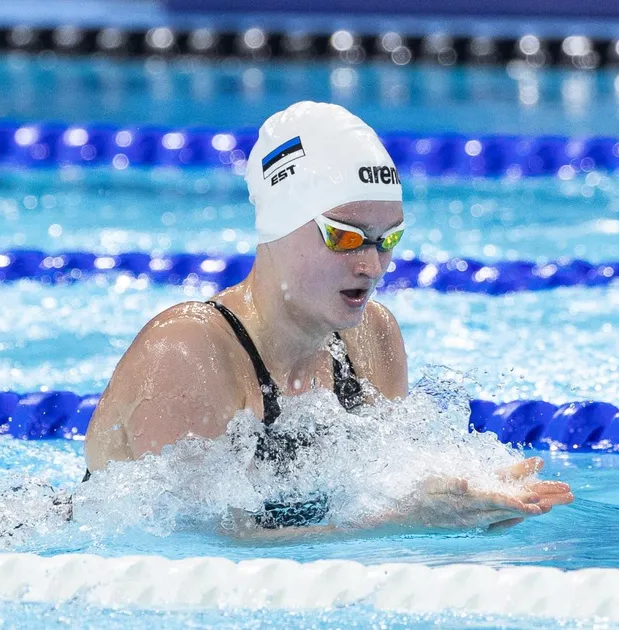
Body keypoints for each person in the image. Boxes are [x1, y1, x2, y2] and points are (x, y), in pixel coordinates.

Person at [83, 101, 572, 536]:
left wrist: (466, 501)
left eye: (388, 239)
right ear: (279, 224)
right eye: (345, 237)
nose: (372, 265)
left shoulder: (372, 337)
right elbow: (198, 545)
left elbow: (386, 487)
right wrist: (405, 523)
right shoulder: (190, 351)